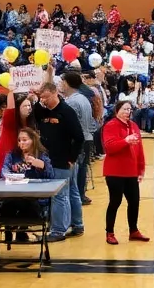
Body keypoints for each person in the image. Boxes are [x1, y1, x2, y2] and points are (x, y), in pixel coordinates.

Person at [33, 82, 85, 241]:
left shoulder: (66, 111)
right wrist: (36, 98)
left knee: (59, 195)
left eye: (47, 97)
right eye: (42, 99)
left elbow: (79, 137)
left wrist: (72, 158)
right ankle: (77, 225)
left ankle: (58, 231)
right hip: (52, 158)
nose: (45, 101)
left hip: (63, 159)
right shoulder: (44, 110)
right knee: (72, 192)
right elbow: (37, 113)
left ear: (55, 93)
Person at [101, 100, 148, 245]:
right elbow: (109, 148)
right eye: (124, 109)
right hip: (115, 171)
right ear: (117, 110)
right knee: (115, 201)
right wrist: (125, 141)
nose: (127, 112)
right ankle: (110, 232)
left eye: (129, 109)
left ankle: (133, 230)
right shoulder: (110, 126)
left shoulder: (134, 126)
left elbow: (139, 149)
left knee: (134, 201)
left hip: (131, 171)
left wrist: (141, 169)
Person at [58, 72, 95, 204]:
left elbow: (69, 124)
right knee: (82, 169)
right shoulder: (83, 98)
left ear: (67, 83)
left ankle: (76, 197)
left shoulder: (72, 102)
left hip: (77, 140)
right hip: (87, 137)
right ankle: (81, 195)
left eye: (62, 82)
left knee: (76, 171)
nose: (60, 85)